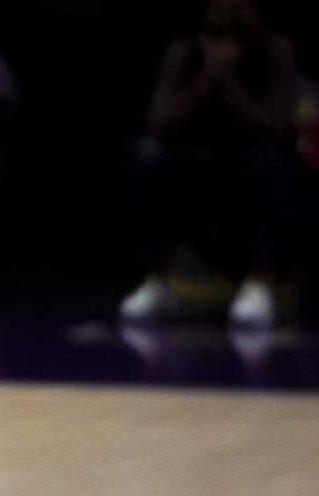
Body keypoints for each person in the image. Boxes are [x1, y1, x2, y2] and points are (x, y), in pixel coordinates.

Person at [120, 0, 302, 330]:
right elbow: (158, 124)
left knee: (268, 161)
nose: (219, 43)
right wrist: (206, 82)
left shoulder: (275, 51)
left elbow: (275, 128)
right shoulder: (184, 53)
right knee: (147, 156)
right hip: (198, 171)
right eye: (212, 33)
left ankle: (260, 282)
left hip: (252, 172)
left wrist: (227, 83)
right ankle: (157, 281)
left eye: (232, 34)